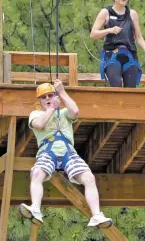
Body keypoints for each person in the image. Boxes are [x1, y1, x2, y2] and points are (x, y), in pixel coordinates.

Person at [19, 80, 112, 228]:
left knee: (88, 177)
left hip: (68, 151)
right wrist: (51, 109)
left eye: (50, 95)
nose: (48, 99)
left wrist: (62, 92)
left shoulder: (64, 113)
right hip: (48, 151)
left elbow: (75, 112)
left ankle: (96, 215)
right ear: (40, 101)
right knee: (37, 173)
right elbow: (39, 125)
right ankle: (35, 208)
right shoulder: (36, 114)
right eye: (44, 97)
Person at [90, 0, 145, 87]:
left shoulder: (132, 14)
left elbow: (138, 37)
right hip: (112, 56)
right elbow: (93, 34)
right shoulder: (106, 12)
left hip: (130, 55)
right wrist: (109, 30)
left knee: (131, 90)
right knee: (116, 85)